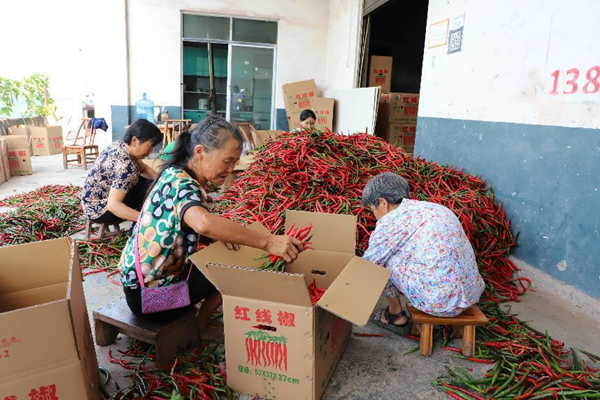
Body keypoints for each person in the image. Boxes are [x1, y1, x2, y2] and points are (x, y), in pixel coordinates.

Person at [117, 116, 303, 333]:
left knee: (226, 252)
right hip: (152, 302)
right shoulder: (185, 185)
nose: (232, 168)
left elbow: (180, 225)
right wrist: (268, 242)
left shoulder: (172, 173)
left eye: (235, 161)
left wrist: (219, 235)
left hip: (136, 289)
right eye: (227, 161)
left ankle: (198, 314)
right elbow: (203, 223)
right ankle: (200, 323)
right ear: (199, 152)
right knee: (239, 266)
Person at [362, 172, 484, 333]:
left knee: (381, 260)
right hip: (471, 294)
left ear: (383, 203)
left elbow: (368, 264)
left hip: (439, 304)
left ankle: (395, 314)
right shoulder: (436, 208)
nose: (375, 216)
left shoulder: (390, 223)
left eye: (372, 209)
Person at [81, 119, 162, 224]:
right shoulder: (125, 167)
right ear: (134, 141)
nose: (151, 151)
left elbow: (144, 169)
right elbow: (113, 206)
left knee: (151, 183)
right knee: (149, 190)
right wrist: (147, 220)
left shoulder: (119, 145)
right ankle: (145, 221)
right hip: (100, 211)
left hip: (89, 205)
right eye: (149, 147)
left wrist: (161, 182)